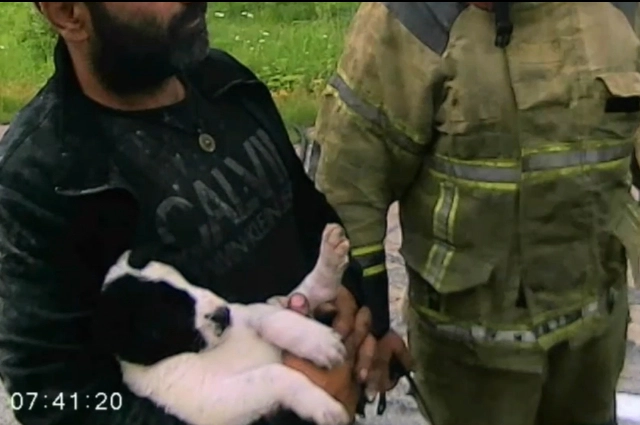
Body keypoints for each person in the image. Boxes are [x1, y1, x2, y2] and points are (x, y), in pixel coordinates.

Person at [0, 3, 379, 425]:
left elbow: (308, 216)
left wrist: (351, 302)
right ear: (69, 13)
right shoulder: (41, 179)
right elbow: (51, 401)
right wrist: (276, 404)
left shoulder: (225, 82)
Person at [312, 2, 640, 425]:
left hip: (593, 339)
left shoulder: (620, 10)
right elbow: (349, 184)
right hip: (469, 358)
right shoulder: (413, 17)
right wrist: (371, 322)